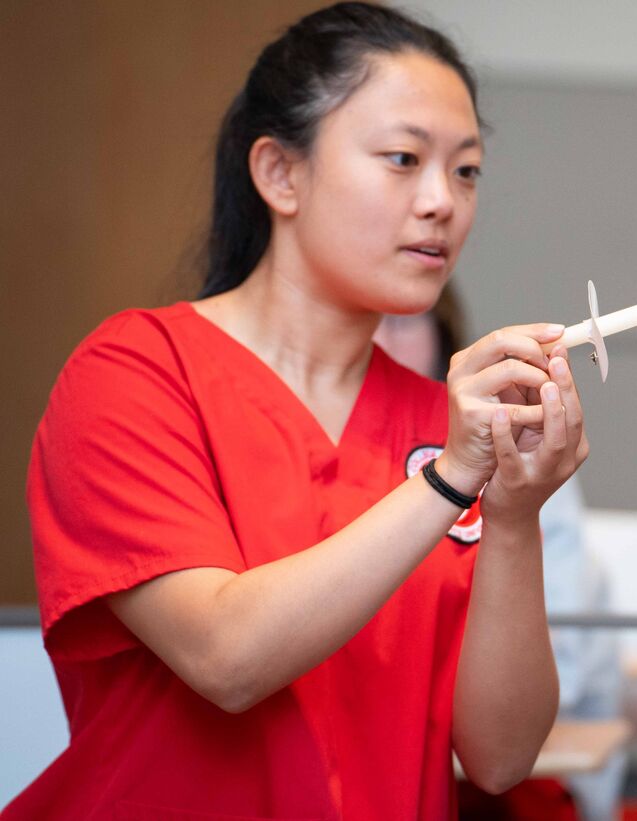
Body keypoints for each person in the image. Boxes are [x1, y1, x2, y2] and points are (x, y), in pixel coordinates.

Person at [8, 4, 588, 819]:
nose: (442, 203)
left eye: (466, 171)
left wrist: (517, 517)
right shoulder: (135, 374)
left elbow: (499, 757)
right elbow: (227, 657)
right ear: (280, 173)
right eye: (402, 158)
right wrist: (454, 478)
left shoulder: (438, 420)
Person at [375, 288, 626, 821]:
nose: (379, 341)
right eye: (362, 324)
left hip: (500, 772)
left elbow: (560, 679)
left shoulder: (518, 449)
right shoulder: (344, 446)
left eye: (402, 322)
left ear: (442, 334)